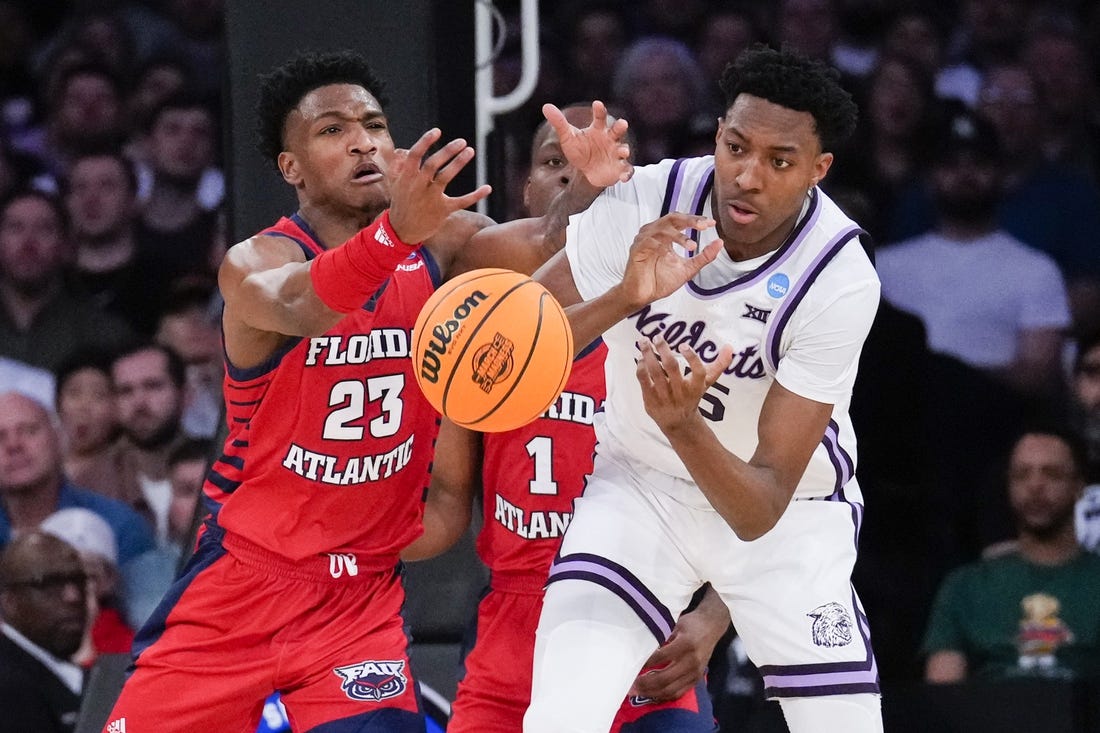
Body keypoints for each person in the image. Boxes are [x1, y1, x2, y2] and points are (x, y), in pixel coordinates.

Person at [102, 49, 630, 733]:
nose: (362, 140)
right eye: (331, 130)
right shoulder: (257, 261)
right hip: (238, 587)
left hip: (357, 605)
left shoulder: (442, 248)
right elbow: (303, 306)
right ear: (290, 168)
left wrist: (588, 189)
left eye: (375, 124)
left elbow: (556, 246)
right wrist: (393, 234)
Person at [494, 44, 882, 732]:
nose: (747, 176)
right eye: (736, 146)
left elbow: (761, 505)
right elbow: (517, 345)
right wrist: (621, 296)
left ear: (819, 169)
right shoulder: (645, 198)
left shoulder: (839, 277)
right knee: (560, 715)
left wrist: (684, 424)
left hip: (788, 520)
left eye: (779, 161)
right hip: (639, 489)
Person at [407, 105, 727, 733]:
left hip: (639, 619)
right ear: (526, 188)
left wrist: (713, 618)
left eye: (593, 165)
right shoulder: (479, 314)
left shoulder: (682, 317)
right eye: (555, 163)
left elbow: (757, 493)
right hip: (513, 628)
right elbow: (447, 501)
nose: (569, 178)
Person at [875, 107, 1071, 401]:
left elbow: (1039, 374)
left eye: (979, 163)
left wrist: (952, 377)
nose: (965, 174)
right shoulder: (885, 266)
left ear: (1001, 175)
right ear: (929, 179)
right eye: (950, 165)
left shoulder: (1036, 270)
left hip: (995, 424)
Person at [922, 427, 1100, 682]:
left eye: (1052, 474)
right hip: (987, 719)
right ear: (1008, 485)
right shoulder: (965, 587)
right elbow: (941, 700)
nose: (1036, 485)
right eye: (1022, 474)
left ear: (1079, 487)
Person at [0, 390, 156, 565]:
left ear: (59, 439)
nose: (13, 445)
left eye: (29, 431)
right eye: (0, 436)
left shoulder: (119, 527)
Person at [0, 531, 89, 733]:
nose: (73, 596)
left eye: (78, 580)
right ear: (9, 601)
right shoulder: (8, 686)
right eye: (49, 583)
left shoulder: (94, 675)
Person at [39, 506, 134, 667]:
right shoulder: (20, 637)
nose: (72, 590)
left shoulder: (130, 645)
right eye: (59, 576)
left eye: (88, 576)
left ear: (108, 581)